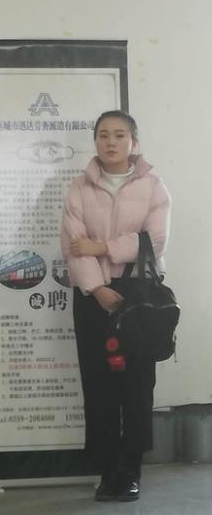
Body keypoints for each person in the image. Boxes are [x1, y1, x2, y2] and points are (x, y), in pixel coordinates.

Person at [61, 110, 171, 502]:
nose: (111, 142)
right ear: (95, 141)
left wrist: (101, 246)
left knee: (137, 386)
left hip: (138, 297)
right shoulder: (79, 188)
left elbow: (154, 241)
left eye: (119, 135)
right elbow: (72, 246)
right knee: (99, 385)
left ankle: (131, 471)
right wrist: (97, 288)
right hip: (93, 297)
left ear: (133, 142)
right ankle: (108, 471)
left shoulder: (154, 186)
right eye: (103, 134)